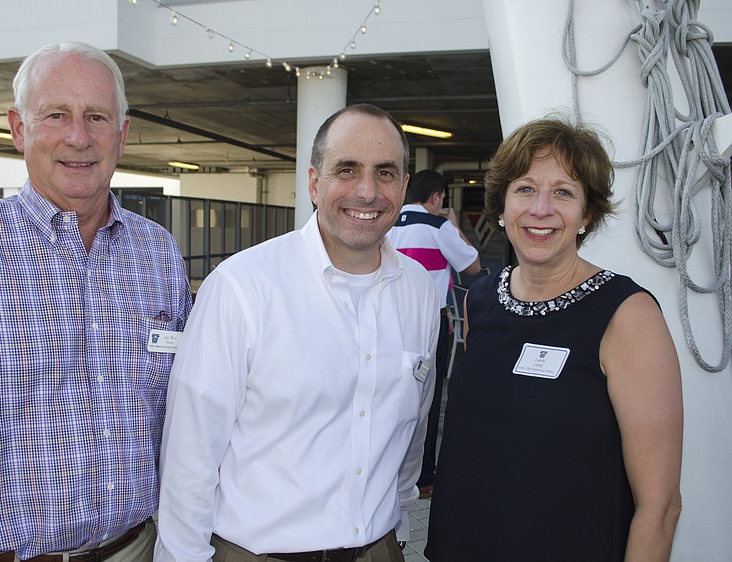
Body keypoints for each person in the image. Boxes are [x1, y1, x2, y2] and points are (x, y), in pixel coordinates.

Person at [0, 41, 192, 561]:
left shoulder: (156, 253)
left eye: (97, 116)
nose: (79, 137)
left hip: (137, 549)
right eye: (56, 115)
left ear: (122, 133)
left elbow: (185, 415)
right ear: (19, 128)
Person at [154, 103, 440, 562]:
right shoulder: (241, 286)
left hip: (380, 550)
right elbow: (190, 457)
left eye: (385, 173)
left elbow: (413, 429)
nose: (367, 191)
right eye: (347, 170)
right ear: (313, 183)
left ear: (404, 186)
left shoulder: (420, 291)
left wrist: (403, 521)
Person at [424, 117, 683, 561]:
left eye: (563, 192)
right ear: (502, 208)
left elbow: (659, 507)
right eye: (525, 189)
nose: (541, 208)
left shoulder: (626, 315)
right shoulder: (481, 301)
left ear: (587, 215)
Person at [386, 169, 481, 498]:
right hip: (427, 322)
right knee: (425, 396)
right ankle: (423, 478)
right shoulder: (438, 226)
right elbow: (473, 266)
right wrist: (454, 227)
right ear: (437, 197)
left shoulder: (386, 221)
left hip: (385, 319)